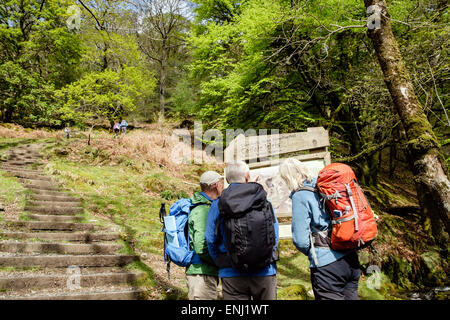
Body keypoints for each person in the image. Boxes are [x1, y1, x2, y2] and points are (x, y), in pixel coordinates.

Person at [279, 158, 361, 300]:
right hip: (350, 257)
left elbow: (300, 240)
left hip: (327, 266)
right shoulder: (325, 185)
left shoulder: (300, 195)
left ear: (287, 178)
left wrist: (313, 250)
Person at [205, 160, 279, 300]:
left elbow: (210, 239)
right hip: (264, 271)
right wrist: (265, 256)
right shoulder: (263, 201)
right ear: (247, 176)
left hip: (231, 272)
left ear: (226, 179)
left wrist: (221, 260)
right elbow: (274, 236)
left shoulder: (218, 204)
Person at [186, 171, 224, 300]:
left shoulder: (207, 206)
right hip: (201, 274)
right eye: (221, 183)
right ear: (215, 185)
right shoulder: (203, 210)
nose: (222, 186)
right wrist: (220, 261)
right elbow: (201, 246)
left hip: (204, 271)